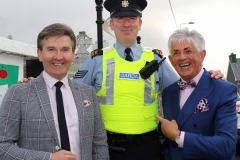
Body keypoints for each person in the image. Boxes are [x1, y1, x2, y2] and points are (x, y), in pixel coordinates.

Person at [73, 0, 225, 159]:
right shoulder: (97, 59)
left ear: (140, 23)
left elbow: (185, 88)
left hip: (147, 147)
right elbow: (73, 97)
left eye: (132, 18)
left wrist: (209, 78)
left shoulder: (155, 59)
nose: (126, 24)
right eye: (120, 19)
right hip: (108, 146)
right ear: (111, 24)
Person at [0, 23, 109, 160]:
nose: (58, 56)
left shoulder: (88, 93)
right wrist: (48, 158)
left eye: (65, 50)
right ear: (40, 54)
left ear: (73, 53)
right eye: (51, 49)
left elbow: (99, 143)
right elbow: (2, 148)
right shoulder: (19, 93)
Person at [155, 28, 237, 160]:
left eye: (188, 51)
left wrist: (178, 137)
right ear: (170, 60)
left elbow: (227, 145)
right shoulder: (168, 93)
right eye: (176, 53)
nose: (182, 57)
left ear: (202, 55)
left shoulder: (223, 89)